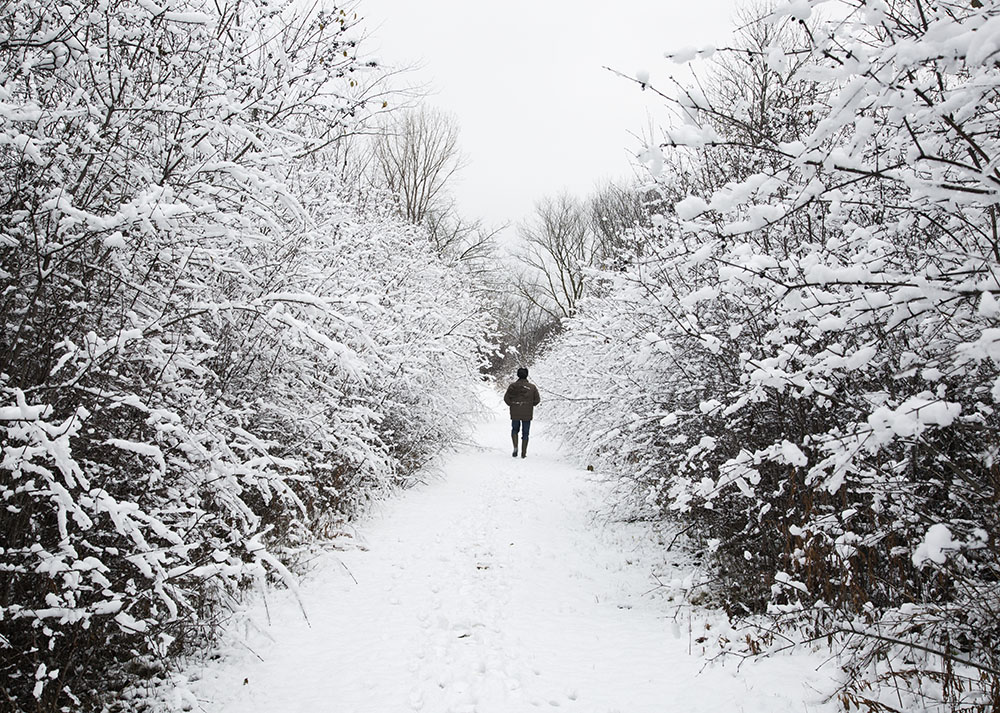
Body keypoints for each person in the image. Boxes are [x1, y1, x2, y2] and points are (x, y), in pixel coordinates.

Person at [504, 367, 540, 459]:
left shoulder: (512, 386)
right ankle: (523, 453)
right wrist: (530, 405)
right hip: (527, 413)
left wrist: (512, 404)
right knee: (525, 433)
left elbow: (506, 399)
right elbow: (537, 400)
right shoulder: (532, 387)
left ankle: (515, 447)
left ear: (518, 375)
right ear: (527, 375)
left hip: (515, 411)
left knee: (514, 430)